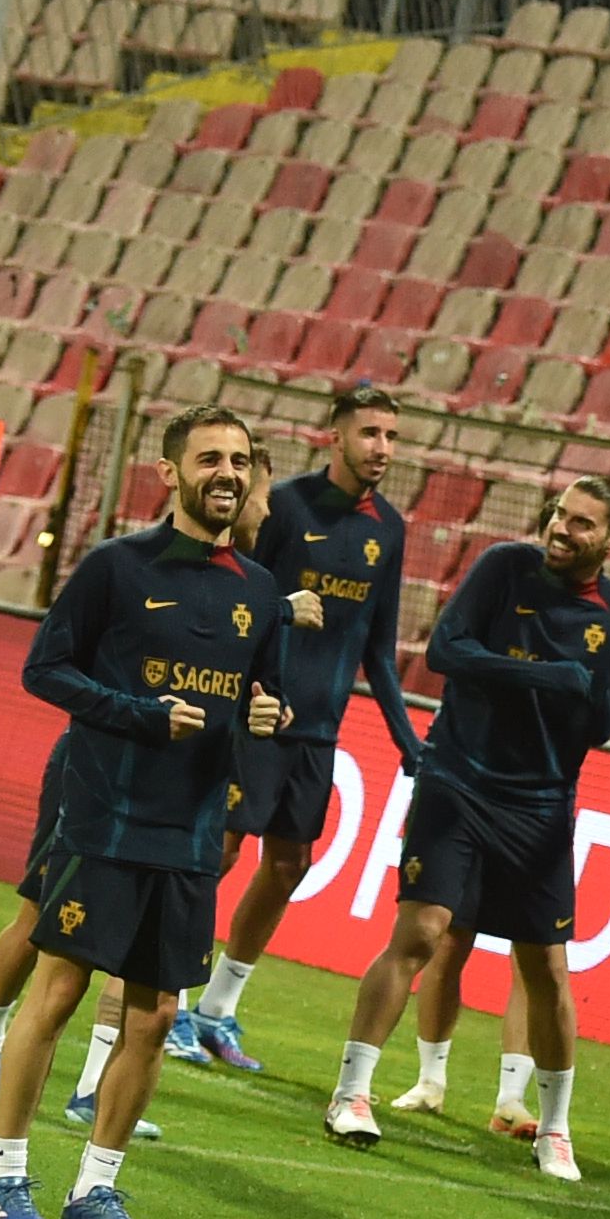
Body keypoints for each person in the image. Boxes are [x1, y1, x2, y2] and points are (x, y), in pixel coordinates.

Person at [0, 410, 288, 1219]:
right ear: (170, 473)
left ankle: (96, 1189)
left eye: (239, 461)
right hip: (106, 818)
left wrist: (267, 716)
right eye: (210, 459)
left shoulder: (261, 593)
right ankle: (4, 1175)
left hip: (189, 834)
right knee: (61, 992)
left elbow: (261, 696)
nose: (227, 474)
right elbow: (45, 669)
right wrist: (139, 713)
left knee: (152, 1018)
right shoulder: (117, 567)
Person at [332, 471, 610, 1175]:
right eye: (560, 513)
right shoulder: (503, 569)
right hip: (457, 781)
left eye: (581, 523)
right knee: (422, 933)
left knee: (545, 967)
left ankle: (554, 1129)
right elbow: (445, 651)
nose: (561, 528)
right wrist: (545, 675)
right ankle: (352, 1092)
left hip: (539, 810)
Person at [182, 382, 418, 1074]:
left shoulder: (389, 529)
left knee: (289, 864)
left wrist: (408, 742)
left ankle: (217, 1009)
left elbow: (379, 647)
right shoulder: (285, 506)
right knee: (218, 853)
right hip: (259, 712)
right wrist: (249, 687)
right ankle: (169, 997)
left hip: (319, 728)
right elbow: (245, 597)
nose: (382, 447)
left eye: (391, 436)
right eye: (370, 433)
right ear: (335, 436)